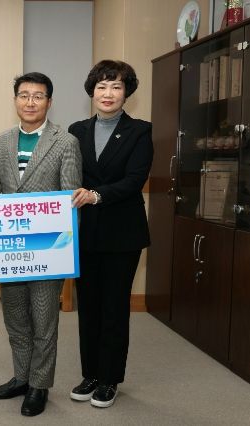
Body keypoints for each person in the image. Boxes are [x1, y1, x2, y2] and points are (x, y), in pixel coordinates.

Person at [0, 72, 82, 416]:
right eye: (24, 95)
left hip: (47, 250)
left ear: (49, 102)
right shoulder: (3, 140)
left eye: (38, 96)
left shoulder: (65, 142)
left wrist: (65, 249)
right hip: (9, 249)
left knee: (44, 320)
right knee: (15, 319)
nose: (30, 102)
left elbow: (71, 197)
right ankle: (21, 377)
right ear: (15, 101)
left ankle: (39, 385)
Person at [69, 60, 153, 408]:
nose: (108, 93)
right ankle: (90, 374)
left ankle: (109, 379)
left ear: (126, 92)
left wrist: (96, 195)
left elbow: (134, 180)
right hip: (85, 232)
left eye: (116, 86)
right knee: (88, 307)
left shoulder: (140, 131)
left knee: (115, 308)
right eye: (101, 86)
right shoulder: (76, 130)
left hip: (122, 233)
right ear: (92, 91)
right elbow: (68, 175)